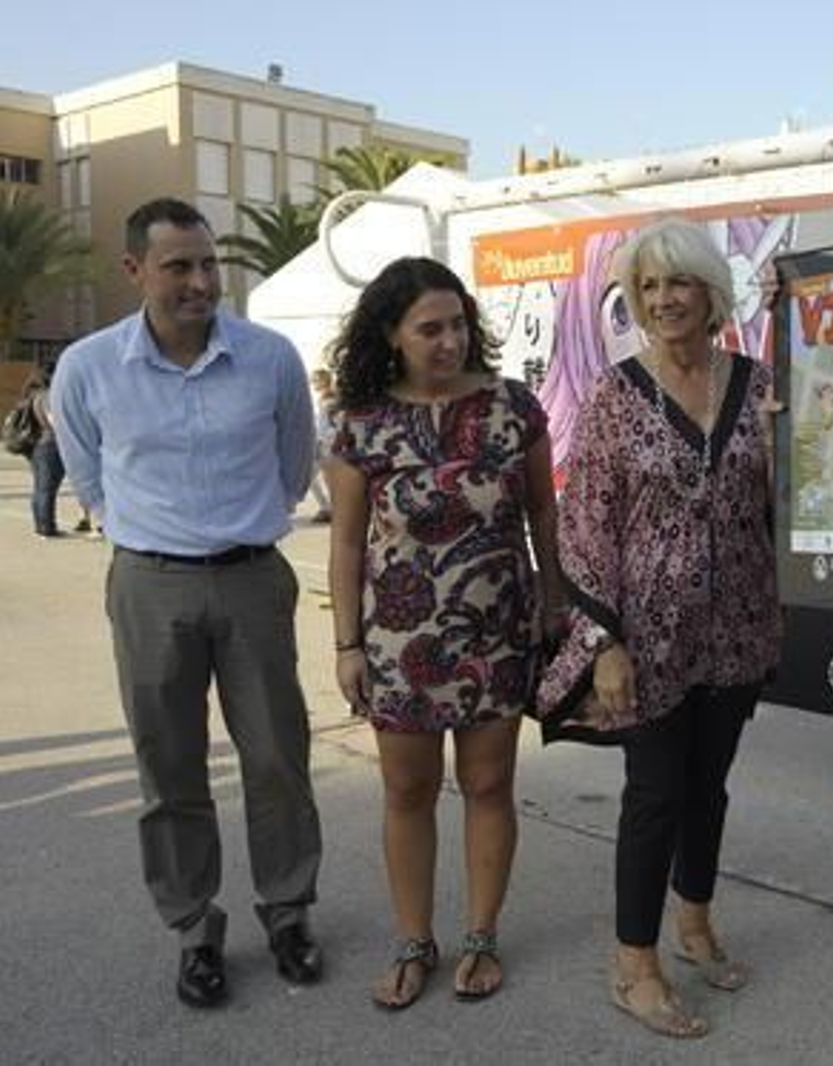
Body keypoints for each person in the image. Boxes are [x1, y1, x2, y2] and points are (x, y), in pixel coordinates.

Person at [49, 197, 323, 1008]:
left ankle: (288, 912)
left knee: (277, 758)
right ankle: (195, 930)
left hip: (251, 577)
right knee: (169, 768)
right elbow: (88, 476)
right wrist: (145, 537)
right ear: (135, 270)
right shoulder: (89, 368)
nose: (200, 282)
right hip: (148, 582)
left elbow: (293, 460)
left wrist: (242, 533)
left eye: (209, 264)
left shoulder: (270, 358)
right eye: (179, 267)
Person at [535, 217, 782, 1040]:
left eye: (678, 282)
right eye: (647, 287)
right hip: (648, 635)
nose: (663, 299)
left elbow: (783, 496)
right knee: (654, 795)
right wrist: (604, 641)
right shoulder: (615, 395)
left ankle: (697, 920)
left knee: (708, 788)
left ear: (711, 291)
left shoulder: (755, 383)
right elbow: (584, 526)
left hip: (738, 627)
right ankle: (634, 963)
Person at [323, 256, 564, 1010]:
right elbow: (347, 545)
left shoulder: (513, 408)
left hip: (496, 631)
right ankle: (413, 941)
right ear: (391, 335)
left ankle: (482, 937)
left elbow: (542, 514)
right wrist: (347, 646)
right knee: (407, 790)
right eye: (429, 328)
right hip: (398, 641)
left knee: (490, 784)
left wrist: (553, 602)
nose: (449, 340)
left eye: (458, 323)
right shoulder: (362, 426)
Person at [20, 363, 65, 538]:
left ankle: (40, 525)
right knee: (47, 488)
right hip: (50, 445)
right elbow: (54, 421)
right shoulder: (48, 396)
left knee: (40, 487)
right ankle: (47, 527)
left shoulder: (32, 395)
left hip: (35, 445)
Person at [306, 368, 337, 522]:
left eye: (315, 380)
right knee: (316, 477)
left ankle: (329, 509)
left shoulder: (330, 400)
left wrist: (322, 440)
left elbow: (330, 424)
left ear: (324, 380)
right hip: (322, 443)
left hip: (327, 444)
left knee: (318, 477)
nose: (313, 383)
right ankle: (328, 508)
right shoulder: (323, 399)